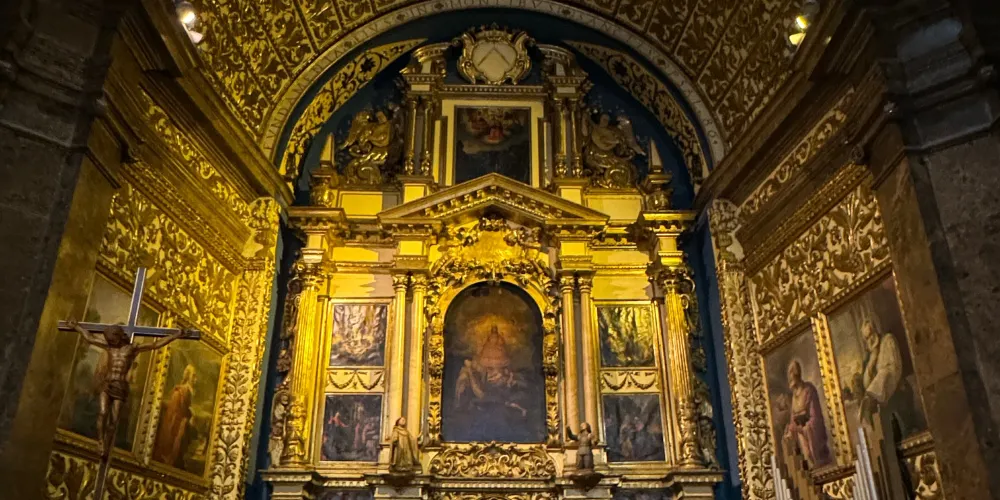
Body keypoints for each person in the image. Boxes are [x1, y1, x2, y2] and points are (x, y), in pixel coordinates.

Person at [66, 320, 188, 454]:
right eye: (109, 340)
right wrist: (76, 326)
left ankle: (107, 442)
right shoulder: (109, 347)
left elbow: (155, 345)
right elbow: (90, 338)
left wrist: (175, 335)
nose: (110, 342)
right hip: (107, 385)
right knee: (102, 413)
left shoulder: (132, 349)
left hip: (120, 387)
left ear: (118, 336)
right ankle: (100, 441)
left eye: (112, 339)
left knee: (114, 420)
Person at [782, 360, 833, 468]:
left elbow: (816, 416)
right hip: (801, 436)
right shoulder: (794, 396)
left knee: (812, 455)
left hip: (811, 434)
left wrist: (806, 428)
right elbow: (793, 420)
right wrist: (790, 432)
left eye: (792, 374)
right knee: (805, 458)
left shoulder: (809, 390)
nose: (790, 379)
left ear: (797, 375)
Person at [153, 364, 197, 467]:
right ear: (188, 376)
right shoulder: (183, 390)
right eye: (194, 376)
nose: (196, 379)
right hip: (177, 420)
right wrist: (189, 415)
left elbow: (185, 408)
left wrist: (190, 413)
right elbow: (180, 409)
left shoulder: (187, 390)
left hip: (180, 420)